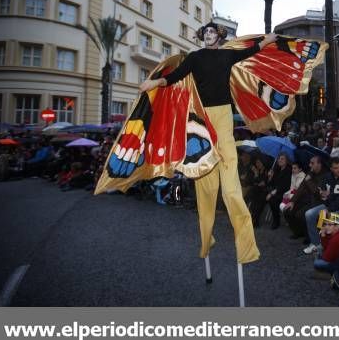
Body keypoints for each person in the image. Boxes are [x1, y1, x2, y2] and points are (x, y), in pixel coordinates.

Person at [139, 23, 277, 264]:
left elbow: (251, 51)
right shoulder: (195, 58)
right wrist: (154, 83)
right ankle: (206, 237)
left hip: (223, 116)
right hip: (202, 117)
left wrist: (267, 40)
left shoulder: (227, 54)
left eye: (213, 32)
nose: (209, 35)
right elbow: (174, 77)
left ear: (219, 36)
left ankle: (245, 243)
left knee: (231, 186)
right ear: (202, 37)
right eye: (205, 33)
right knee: (205, 183)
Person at [303, 157, 339, 254]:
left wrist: (329, 208)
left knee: (324, 216)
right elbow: (321, 188)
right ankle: (315, 243)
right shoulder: (328, 176)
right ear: (331, 169)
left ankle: (324, 246)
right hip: (328, 204)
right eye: (336, 168)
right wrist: (321, 192)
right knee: (309, 214)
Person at [283, 156, 327, 240]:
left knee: (300, 214)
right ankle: (298, 232)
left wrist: (308, 181)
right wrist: (292, 201)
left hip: (317, 202)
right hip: (306, 199)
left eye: (312, 163)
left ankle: (308, 236)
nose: (310, 165)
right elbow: (301, 187)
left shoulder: (325, 175)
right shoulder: (310, 173)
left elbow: (317, 192)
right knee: (287, 210)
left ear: (319, 164)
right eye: (310, 163)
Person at [264, 153, 292, 229]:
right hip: (275, 190)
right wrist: (270, 177)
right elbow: (271, 183)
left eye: (282, 159)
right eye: (279, 158)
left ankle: (276, 220)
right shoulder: (277, 169)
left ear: (286, 161)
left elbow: (285, 185)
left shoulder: (288, 170)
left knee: (273, 200)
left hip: (284, 193)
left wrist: (273, 192)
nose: (280, 160)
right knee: (262, 194)